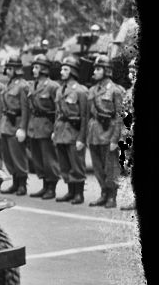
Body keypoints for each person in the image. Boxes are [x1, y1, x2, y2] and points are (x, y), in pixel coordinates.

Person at [86, 55, 125, 208]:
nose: (94, 71)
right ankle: (103, 193)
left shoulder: (116, 90)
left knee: (111, 167)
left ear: (107, 70)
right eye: (95, 68)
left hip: (108, 133)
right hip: (94, 133)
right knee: (97, 168)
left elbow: (120, 117)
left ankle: (112, 196)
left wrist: (115, 139)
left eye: (98, 68)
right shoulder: (93, 89)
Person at [52, 55, 89, 204]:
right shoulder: (60, 90)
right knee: (65, 164)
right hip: (61, 132)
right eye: (62, 69)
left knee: (76, 164)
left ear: (73, 71)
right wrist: (55, 131)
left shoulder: (81, 91)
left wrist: (82, 138)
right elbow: (57, 113)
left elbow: (85, 117)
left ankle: (79, 194)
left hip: (74, 133)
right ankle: (70, 191)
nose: (62, 72)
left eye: (65, 69)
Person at [27, 54, 62, 199]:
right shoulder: (32, 85)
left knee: (49, 158)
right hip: (34, 126)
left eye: (36, 67)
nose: (34, 70)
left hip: (47, 125)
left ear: (44, 69)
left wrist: (56, 129)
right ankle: (44, 185)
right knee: (38, 158)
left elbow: (59, 109)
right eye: (34, 67)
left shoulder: (53, 86)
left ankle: (51, 187)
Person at [0, 57, 31, 195]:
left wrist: (22, 128)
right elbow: (2, 108)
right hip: (6, 124)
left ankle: (22, 184)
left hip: (16, 124)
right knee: (8, 157)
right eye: (8, 68)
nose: (8, 71)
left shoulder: (23, 85)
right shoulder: (8, 84)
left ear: (17, 69)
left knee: (18, 156)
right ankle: (15, 182)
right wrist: (0, 126)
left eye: (11, 68)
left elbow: (25, 109)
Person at [120, 58, 137, 210]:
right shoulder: (128, 93)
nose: (131, 75)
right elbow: (124, 115)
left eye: (134, 71)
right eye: (130, 71)